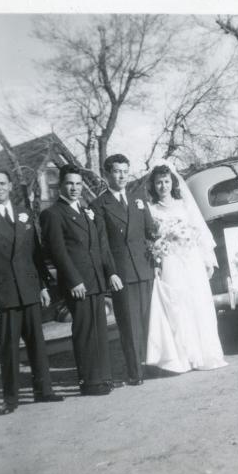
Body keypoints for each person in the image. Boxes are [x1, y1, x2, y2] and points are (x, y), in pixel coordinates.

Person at [0, 167, 63, 415]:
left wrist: (42, 285)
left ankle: (44, 391)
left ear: (10, 186)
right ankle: (10, 399)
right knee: (8, 351)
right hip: (2, 297)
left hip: (29, 291)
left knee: (38, 346)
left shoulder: (24, 215)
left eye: (2, 183)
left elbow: (35, 255)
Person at [40, 164, 122, 396]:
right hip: (78, 284)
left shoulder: (86, 211)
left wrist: (109, 272)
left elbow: (98, 246)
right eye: (69, 184)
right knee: (85, 332)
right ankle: (89, 381)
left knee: (99, 330)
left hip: (95, 280)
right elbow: (58, 252)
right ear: (60, 186)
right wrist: (74, 280)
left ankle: (103, 377)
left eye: (78, 184)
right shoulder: (53, 214)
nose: (75, 188)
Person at [144, 163, 227, 373]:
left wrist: (207, 259)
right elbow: (149, 237)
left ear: (173, 182)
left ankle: (205, 354)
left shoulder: (184, 205)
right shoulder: (151, 209)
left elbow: (199, 230)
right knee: (177, 305)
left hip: (190, 259)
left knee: (199, 302)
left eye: (166, 181)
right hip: (170, 260)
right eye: (159, 182)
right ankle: (183, 358)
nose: (163, 186)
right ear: (153, 185)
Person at [91, 154, 156, 387]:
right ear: (107, 174)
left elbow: (151, 230)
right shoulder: (99, 204)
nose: (121, 176)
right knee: (129, 324)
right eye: (117, 171)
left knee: (150, 320)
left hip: (144, 268)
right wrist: (111, 273)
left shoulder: (138, 198)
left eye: (125, 171)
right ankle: (135, 371)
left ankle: (153, 364)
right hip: (122, 273)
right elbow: (101, 244)